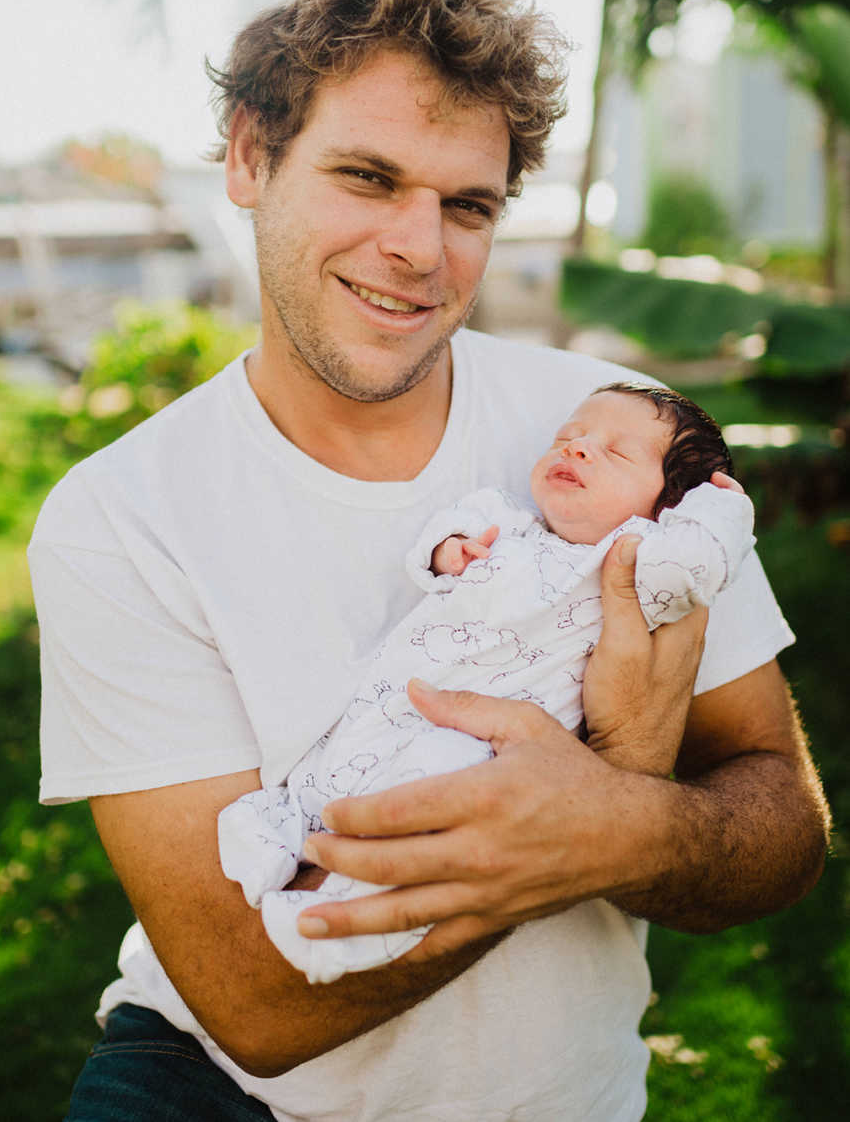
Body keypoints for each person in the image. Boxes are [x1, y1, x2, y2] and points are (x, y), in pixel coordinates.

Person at [28, 0, 828, 1122]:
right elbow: (256, 1005)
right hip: (213, 1090)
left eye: (468, 205)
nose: (419, 247)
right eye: (367, 176)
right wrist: (574, 829)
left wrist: (627, 829)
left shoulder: (620, 441)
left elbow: (781, 813)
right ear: (249, 156)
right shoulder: (120, 519)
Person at [219, 383, 756, 985]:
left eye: (614, 452)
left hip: (484, 745)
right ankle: (281, 827)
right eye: (569, 438)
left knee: (423, 806)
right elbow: (449, 533)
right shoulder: (510, 521)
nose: (577, 449)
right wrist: (451, 549)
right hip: (404, 693)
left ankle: (343, 917)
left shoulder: (637, 561)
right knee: (338, 755)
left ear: (668, 507)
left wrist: (722, 506)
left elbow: (703, 561)